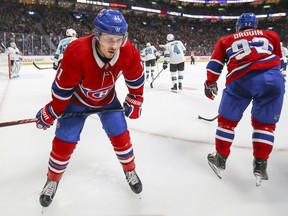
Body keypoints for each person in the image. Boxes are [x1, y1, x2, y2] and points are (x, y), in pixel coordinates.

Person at [36, 9, 145, 207]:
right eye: (109, 39)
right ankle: (52, 179)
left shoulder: (127, 50)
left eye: (119, 39)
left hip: (107, 101)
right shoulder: (77, 50)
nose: (115, 45)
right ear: (97, 35)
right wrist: (53, 110)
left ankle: (130, 170)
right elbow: (62, 89)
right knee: (63, 142)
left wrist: (136, 98)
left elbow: (136, 76)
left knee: (121, 137)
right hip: (76, 103)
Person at [205, 13, 285, 186]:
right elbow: (280, 62)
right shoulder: (271, 35)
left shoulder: (226, 40)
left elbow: (215, 65)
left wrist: (210, 83)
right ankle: (260, 166)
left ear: (238, 26)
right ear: (255, 25)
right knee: (265, 125)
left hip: (241, 79)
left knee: (226, 121)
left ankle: (220, 158)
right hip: (273, 79)